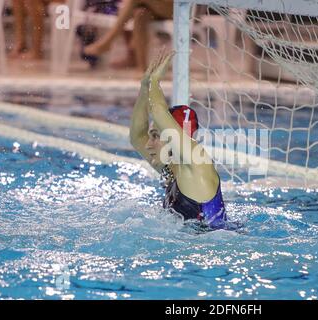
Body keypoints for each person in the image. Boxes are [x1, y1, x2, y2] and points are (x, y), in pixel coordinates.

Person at [129, 51, 227, 229]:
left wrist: (155, 82)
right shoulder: (172, 169)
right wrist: (144, 89)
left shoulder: (199, 165)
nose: (149, 144)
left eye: (156, 136)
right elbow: (137, 137)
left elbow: (158, 111)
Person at [84, 0, 174, 74]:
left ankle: (108, 42)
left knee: (132, 1)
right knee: (140, 14)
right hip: (158, 7)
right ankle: (142, 69)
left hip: (180, 8)